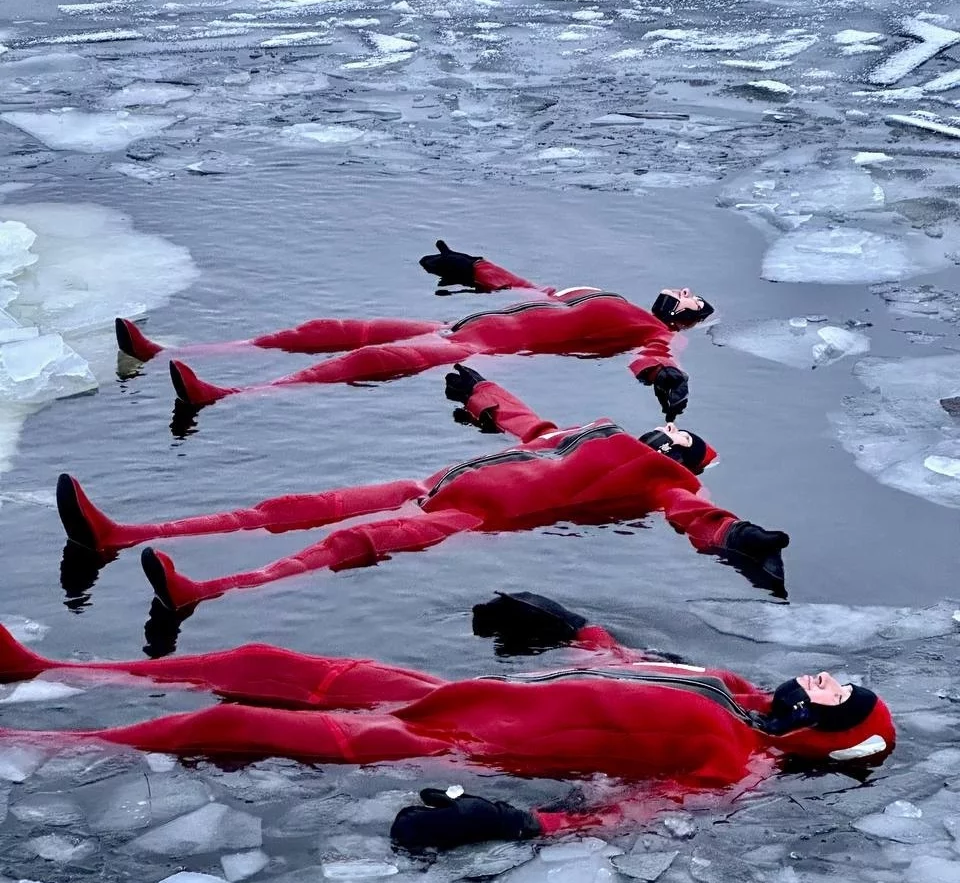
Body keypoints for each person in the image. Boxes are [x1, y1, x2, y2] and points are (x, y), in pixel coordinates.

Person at [0, 592, 895, 852]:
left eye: (837, 692)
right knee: (264, 664)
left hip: (443, 739)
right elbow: (628, 666)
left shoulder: (735, 765)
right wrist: (573, 629)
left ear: (825, 731)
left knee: (215, 727)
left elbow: (631, 816)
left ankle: (37, 740)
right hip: (437, 688)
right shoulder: (733, 687)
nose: (825, 676)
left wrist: (518, 821)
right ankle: (48, 668)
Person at [55, 366, 789, 613]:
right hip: (431, 484)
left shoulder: (661, 480)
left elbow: (697, 515)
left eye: (687, 447)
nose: (672, 441)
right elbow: (528, 425)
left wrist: (739, 538)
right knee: (294, 506)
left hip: (469, 513)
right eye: (676, 434)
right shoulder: (593, 431)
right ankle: (120, 534)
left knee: (351, 541)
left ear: (689, 461)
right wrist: (479, 393)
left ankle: (203, 593)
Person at [120, 241, 710, 421]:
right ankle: (176, 349)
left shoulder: (651, 329)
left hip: (478, 343)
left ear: (687, 313)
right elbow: (529, 289)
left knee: (366, 359)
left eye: (693, 299)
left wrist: (665, 379)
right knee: (331, 329)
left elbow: (655, 355)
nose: (682, 292)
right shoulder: (600, 289)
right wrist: (475, 267)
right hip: (458, 321)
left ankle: (223, 394)